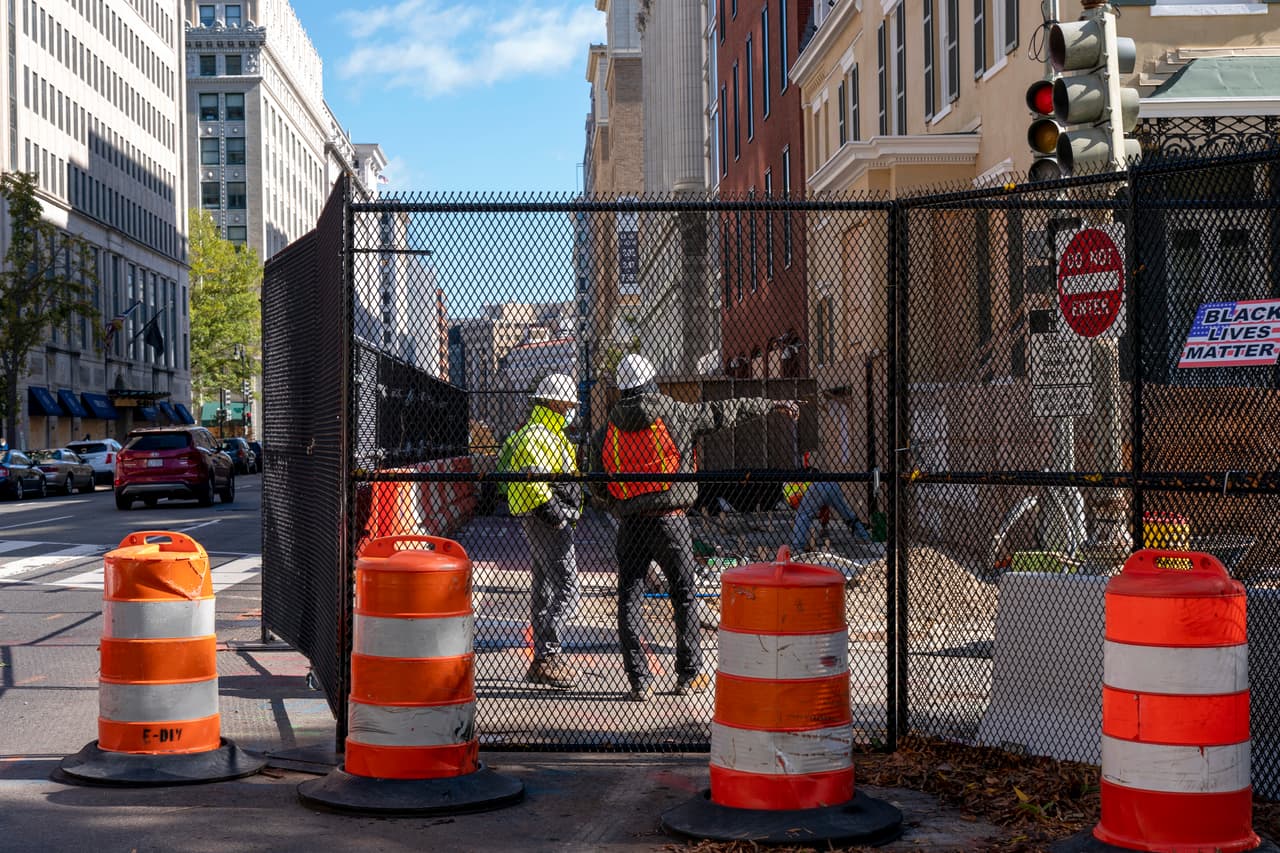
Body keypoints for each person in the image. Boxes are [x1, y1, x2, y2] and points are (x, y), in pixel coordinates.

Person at [591, 353, 800, 702]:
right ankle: (687, 674)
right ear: (650, 381)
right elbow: (724, 411)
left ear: (623, 387)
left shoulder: (606, 430)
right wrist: (770, 404)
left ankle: (639, 681)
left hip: (630, 524)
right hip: (671, 521)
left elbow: (597, 485)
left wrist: (617, 504)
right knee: (684, 595)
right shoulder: (676, 412)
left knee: (629, 598)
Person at [500, 373, 584, 689]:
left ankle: (542, 658)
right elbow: (534, 479)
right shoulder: (540, 435)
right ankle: (548, 652)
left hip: (541, 516)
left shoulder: (547, 432)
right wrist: (555, 515)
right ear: (554, 402)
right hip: (547, 518)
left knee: (545, 587)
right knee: (568, 588)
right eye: (566, 404)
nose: (570, 410)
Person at [785, 469, 873, 554]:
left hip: (816, 486)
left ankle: (797, 546)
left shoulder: (790, 487)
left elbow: (799, 506)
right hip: (831, 484)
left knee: (803, 515)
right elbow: (823, 508)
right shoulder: (797, 483)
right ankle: (863, 536)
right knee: (846, 512)